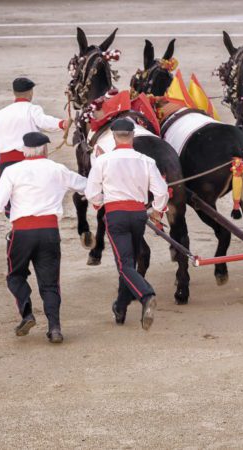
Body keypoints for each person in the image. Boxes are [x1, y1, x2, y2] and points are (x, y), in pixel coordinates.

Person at [0, 132, 87, 343]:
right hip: (49, 232)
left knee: (15, 276)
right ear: (45, 149)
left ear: (24, 150)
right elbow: (87, 186)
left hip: (22, 233)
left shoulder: (12, 171)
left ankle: (27, 313)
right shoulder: (58, 169)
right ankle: (55, 328)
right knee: (50, 284)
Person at [84, 119, 169, 330]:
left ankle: (146, 295)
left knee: (124, 264)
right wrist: (157, 210)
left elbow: (91, 192)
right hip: (138, 215)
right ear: (132, 136)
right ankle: (120, 307)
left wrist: (99, 204)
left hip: (116, 215)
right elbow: (161, 191)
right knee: (128, 260)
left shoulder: (103, 161)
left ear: (114, 136)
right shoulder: (146, 160)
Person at [0, 77, 71, 173]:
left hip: (6, 164)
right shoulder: (32, 109)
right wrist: (62, 124)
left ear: (14, 92)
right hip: (30, 162)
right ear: (31, 92)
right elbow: (43, 121)